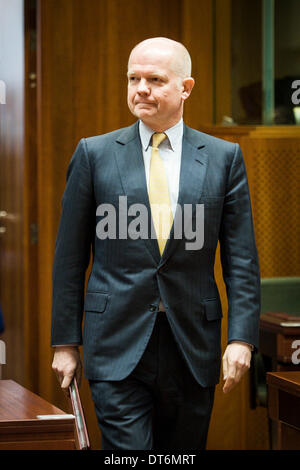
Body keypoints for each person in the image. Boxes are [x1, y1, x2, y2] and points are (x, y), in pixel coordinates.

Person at [51, 37, 260, 450]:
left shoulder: (223, 158)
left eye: (155, 79)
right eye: (133, 78)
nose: (140, 88)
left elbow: (241, 261)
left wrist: (242, 338)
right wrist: (65, 342)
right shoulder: (94, 154)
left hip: (191, 344)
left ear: (186, 88)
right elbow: (70, 258)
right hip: (115, 341)